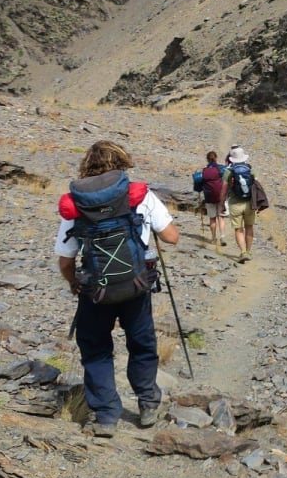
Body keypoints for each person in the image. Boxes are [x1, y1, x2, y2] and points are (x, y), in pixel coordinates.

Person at [54, 140, 180, 438]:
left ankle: (106, 415)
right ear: (121, 162)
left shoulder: (77, 202)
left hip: (95, 290)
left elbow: (65, 258)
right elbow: (172, 237)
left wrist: (73, 282)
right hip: (136, 284)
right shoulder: (138, 195)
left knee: (96, 348)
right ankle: (148, 403)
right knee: (142, 343)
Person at [224, 145, 257, 263]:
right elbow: (255, 184)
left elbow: (224, 187)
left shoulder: (229, 171)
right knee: (249, 227)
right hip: (249, 203)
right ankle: (248, 251)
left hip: (235, 204)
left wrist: (222, 201)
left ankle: (243, 252)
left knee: (238, 229)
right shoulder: (250, 169)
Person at [194, 150, 228, 246]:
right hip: (220, 196)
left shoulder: (204, 171)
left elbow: (198, 186)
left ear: (207, 160)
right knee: (221, 217)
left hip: (209, 197)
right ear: (216, 158)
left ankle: (213, 238)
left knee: (212, 218)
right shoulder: (220, 169)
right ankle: (222, 236)